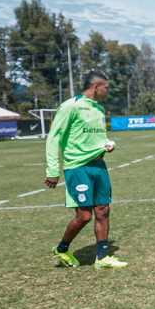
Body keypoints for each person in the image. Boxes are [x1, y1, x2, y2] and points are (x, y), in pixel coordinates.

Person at [45, 71, 127, 269]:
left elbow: (97, 137)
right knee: (84, 215)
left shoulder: (99, 108)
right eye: (106, 87)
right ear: (96, 86)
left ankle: (102, 257)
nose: (108, 91)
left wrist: (106, 144)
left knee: (103, 211)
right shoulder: (71, 106)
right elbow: (54, 137)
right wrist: (53, 170)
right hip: (77, 167)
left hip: (98, 166)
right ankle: (62, 249)